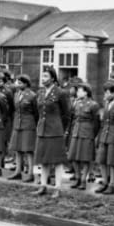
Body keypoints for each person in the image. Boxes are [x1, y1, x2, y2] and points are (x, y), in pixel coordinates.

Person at [31, 67, 70, 198]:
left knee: (57, 160)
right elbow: (38, 112)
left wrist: (61, 129)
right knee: (44, 159)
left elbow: (66, 114)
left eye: (46, 76)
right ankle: (43, 186)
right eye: (42, 76)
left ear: (53, 78)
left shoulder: (60, 93)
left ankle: (57, 187)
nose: (43, 79)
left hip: (55, 131)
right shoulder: (40, 93)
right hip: (42, 130)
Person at [67, 81, 100, 190]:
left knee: (85, 159)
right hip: (76, 132)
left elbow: (96, 123)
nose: (77, 92)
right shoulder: (76, 103)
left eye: (80, 91)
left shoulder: (93, 105)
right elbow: (72, 118)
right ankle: (77, 177)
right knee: (73, 157)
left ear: (86, 93)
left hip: (87, 133)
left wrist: (92, 135)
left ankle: (83, 181)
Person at [8, 74, 38, 182]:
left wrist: (33, 124)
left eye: (20, 83)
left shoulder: (32, 95)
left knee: (28, 149)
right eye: (17, 82)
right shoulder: (16, 94)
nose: (17, 84)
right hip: (17, 124)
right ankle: (18, 171)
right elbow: (14, 110)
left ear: (26, 84)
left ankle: (30, 173)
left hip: (28, 124)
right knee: (18, 148)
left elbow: (36, 112)